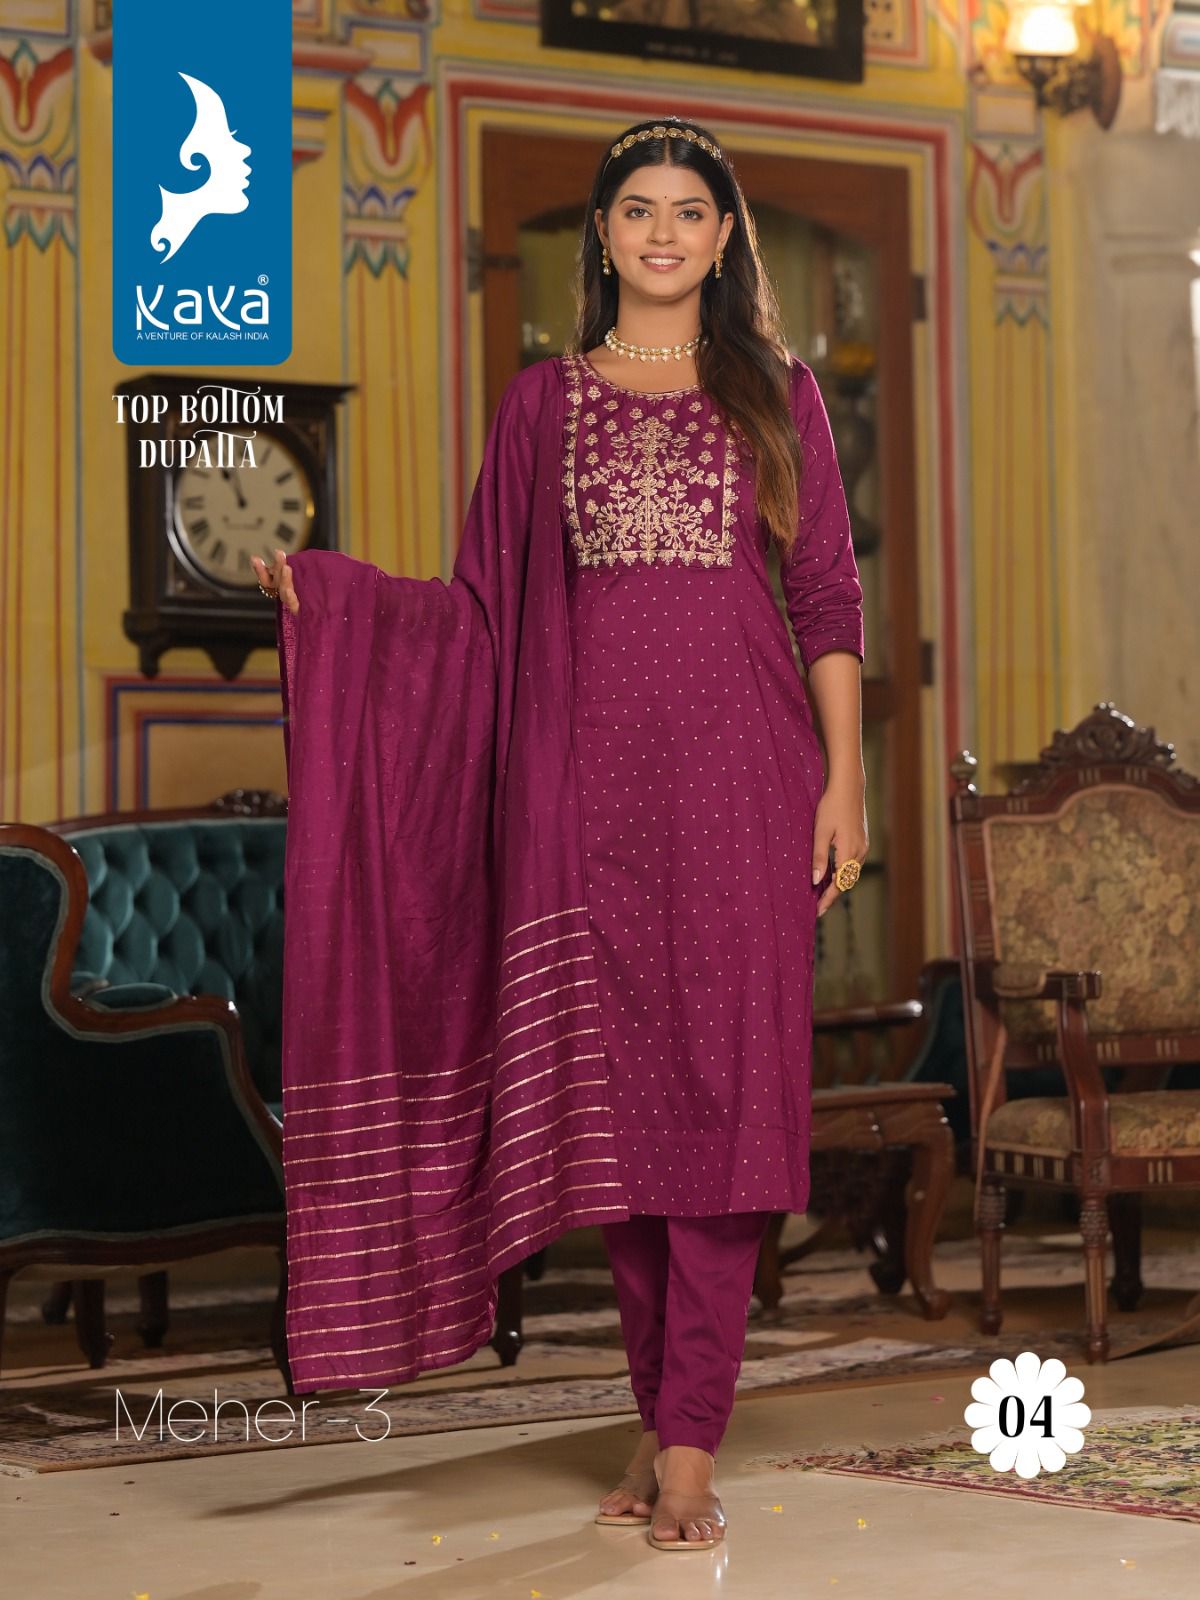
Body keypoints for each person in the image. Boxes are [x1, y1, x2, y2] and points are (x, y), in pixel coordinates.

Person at [253, 115, 867, 1555]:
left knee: (730, 1120)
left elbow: (827, 599)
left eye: (689, 211)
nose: (663, 233)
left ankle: (692, 1443)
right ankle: (662, 1420)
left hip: (747, 787)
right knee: (625, 1139)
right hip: (584, 809)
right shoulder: (543, 406)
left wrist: (843, 782)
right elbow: (480, 613)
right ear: (602, 233)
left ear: (725, 237)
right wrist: (341, 604)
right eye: (637, 209)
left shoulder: (779, 395)